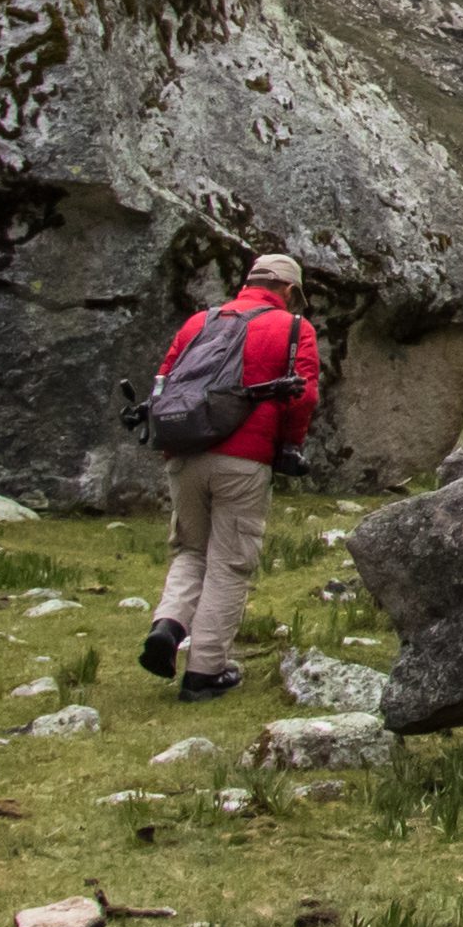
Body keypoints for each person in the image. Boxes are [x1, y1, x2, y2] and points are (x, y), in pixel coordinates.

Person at [141, 251, 315, 702]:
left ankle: (168, 624)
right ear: (291, 291)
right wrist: (287, 448)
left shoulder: (199, 323)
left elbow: (164, 383)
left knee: (189, 549)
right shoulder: (294, 328)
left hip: (185, 452)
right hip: (244, 459)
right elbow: (302, 397)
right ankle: (205, 672)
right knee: (230, 562)